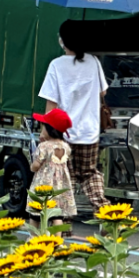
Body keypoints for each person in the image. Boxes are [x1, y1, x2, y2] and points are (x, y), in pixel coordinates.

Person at [38, 23, 110, 215]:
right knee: (89, 173)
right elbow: (103, 91)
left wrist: (45, 130)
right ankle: (104, 210)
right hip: (90, 132)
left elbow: (51, 103)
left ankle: (64, 223)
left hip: (63, 134)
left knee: (63, 178)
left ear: (62, 41)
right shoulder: (94, 62)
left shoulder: (56, 65)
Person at [27, 108, 77, 226]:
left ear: (50, 129)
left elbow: (36, 165)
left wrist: (32, 166)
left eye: (44, 126)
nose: (41, 129)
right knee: (57, 214)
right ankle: (57, 241)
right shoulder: (66, 146)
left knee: (36, 212)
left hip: (44, 185)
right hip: (59, 186)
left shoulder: (44, 146)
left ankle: (33, 237)